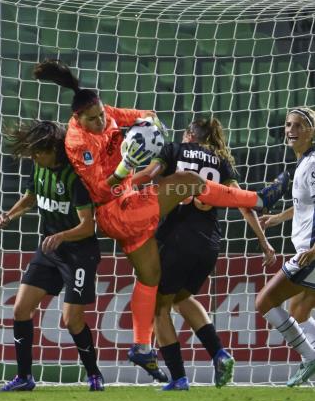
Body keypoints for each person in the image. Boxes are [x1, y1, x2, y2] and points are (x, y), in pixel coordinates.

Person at [34, 59, 289, 383]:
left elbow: (141, 116)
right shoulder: (78, 143)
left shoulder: (104, 113)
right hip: (117, 208)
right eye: (92, 119)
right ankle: (260, 199)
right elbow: (102, 187)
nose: (100, 121)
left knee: (151, 278)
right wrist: (126, 167)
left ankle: (142, 346)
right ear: (78, 119)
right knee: (188, 181)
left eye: (101, 115)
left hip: (128, 210)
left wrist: (149, 126)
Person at [132, 117, 276, 390]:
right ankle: (220, 354)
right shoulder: (221, 161)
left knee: (158, 307)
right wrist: (264, 242)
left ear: (189, 134)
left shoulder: (174, 150)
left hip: (175, 239)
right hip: (209, 245)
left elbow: (149, 174)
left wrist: (121, 182)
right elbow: (242, 203)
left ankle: (178, 378)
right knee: (182, 298)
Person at [0, 120, 104, 392]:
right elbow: (31, 197)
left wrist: (63, 236)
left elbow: (88, 225)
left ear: (52, 149)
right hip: (50, 250)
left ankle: (94, 375)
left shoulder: (75, 177)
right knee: (20, 309)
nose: (34, 157)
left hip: (79, 253)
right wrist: (9, 215)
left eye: (38, 152)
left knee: (72, 321)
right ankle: (24, 377)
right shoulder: (39, 168)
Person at [256, 107, 315, 387]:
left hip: (310, 254)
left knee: (265, 301)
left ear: (312, 131)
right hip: (308, 252)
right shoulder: (303, 163)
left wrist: (313, 251)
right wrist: (279, 217)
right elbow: (306, 205)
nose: (291, 130)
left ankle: (309, 358)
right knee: (298, 314)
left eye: (299, 125)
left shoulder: (314, 163)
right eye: (288, 125)